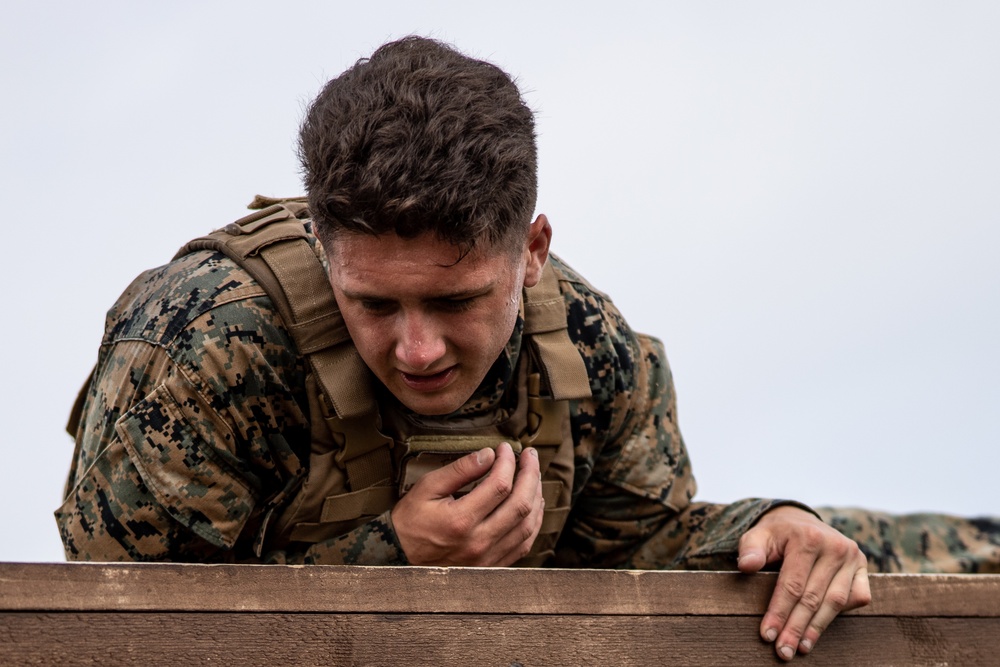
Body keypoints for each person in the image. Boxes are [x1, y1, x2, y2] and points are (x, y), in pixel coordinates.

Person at [56, 36, 997, 662]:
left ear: (532, 252)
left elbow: (637, 545)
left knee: (882, 547)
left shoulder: (588, 347)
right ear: (321, 250)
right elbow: (111, 628)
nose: (416, 347)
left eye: (457, 300)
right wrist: (396, 560)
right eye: (374, 302)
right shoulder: (199, 348)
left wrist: (771, 525)